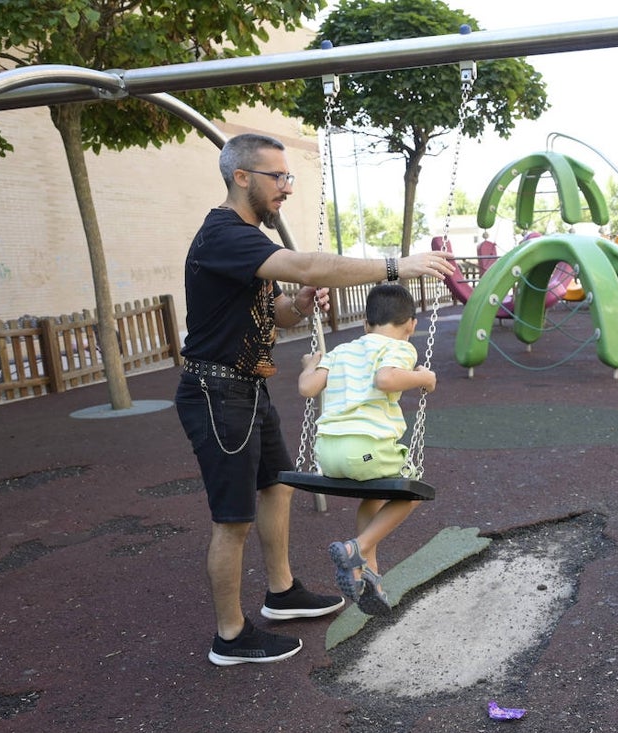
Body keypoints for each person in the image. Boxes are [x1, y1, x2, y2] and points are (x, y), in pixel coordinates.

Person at [175, 132, 454, 666]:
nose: (286, 187)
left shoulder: (248, 240)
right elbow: (307, 265)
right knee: (231, 519)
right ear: (241, 177)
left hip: (246, 386)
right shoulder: (224, 235)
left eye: (288, 177)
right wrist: (396, 267)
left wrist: (299, 305)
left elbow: (274, 313)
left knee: (276, 487)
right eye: (277, 177)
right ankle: (230, 637)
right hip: (217, 392)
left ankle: (281, 593)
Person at [297, 283, 435, 617]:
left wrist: (309, 365)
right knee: (412, 490)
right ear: (411, 325)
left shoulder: (342, 350)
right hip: (365, 451)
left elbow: (307, 388)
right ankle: (355, 548)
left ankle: (369, 574)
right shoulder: (399, 348)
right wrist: (424, 378)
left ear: (364, 323)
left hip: (327, 455)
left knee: (372, 497)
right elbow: (385, 380)